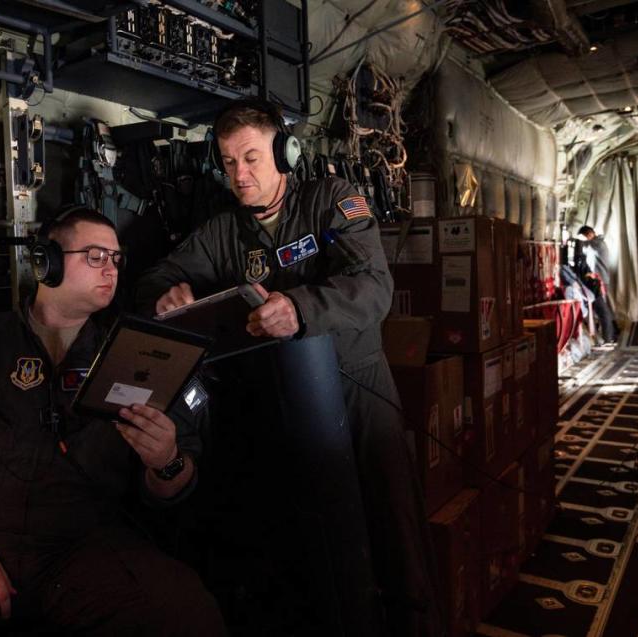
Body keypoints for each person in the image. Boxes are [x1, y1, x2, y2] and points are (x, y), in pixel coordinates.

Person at [135, 99, 442, 637]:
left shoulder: (333, 201)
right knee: (312, 543)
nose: (240, 174)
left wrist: (302, 309)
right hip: (281, 402)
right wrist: (167, 292)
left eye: (252, 158)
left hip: (356, 390)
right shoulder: (223, 232)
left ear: (285, 152)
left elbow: (374, 288)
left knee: (392, 529)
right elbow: (156, 276)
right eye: (229, 162)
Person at [0, 208, 226, 636]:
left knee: (186, 614)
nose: (111, 270)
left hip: (85, 548)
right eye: (96, 256)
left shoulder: (138, 354)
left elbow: (177, 482)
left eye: (116, 260)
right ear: (48, 261)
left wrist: (167, 460)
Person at [577, 225, 617, 342]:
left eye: (584, 237)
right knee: (602, 309)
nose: (584, 240)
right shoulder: (597, 243)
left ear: (590, 234)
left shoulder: (596, 244)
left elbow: (580, 246)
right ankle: (610, 334)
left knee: (603, 309)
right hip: (599, 280)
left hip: (600, 281)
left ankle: (609, 336)